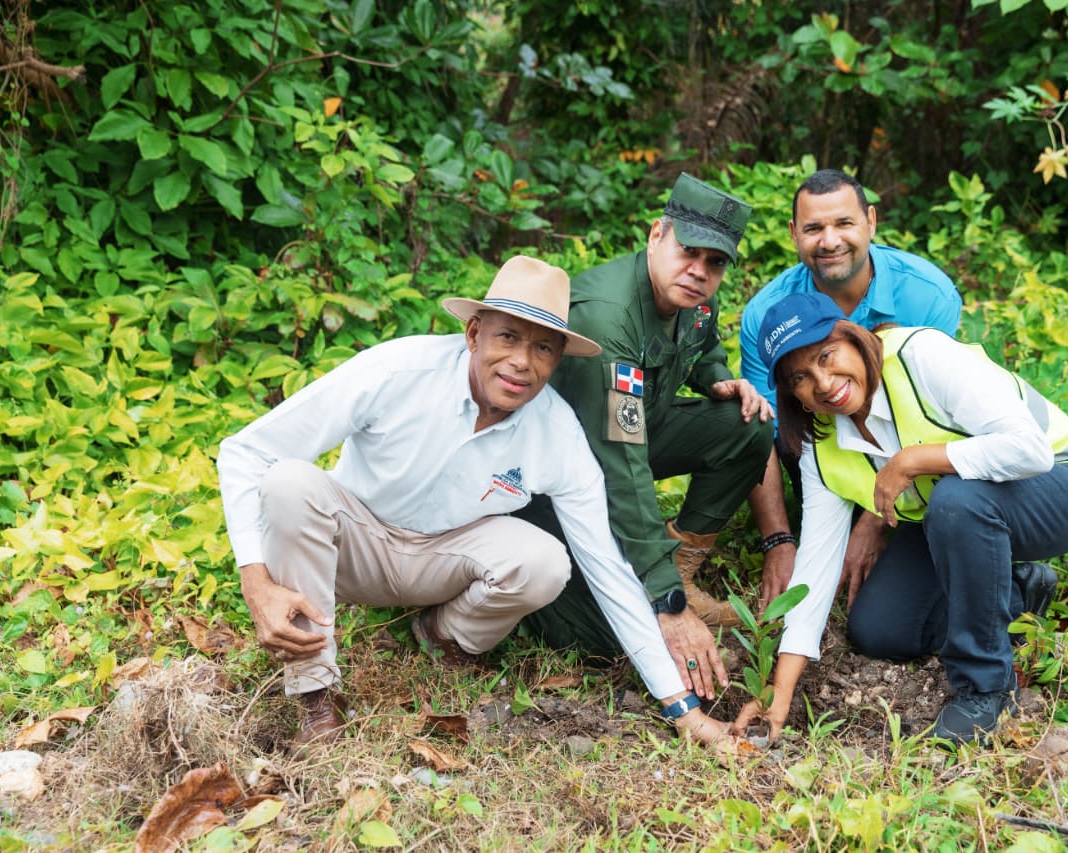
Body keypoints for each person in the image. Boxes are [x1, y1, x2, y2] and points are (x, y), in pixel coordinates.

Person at [217, 255, 738, 752]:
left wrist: (682, 709)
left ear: (557, 360)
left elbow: (606, 566)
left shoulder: (555, 431)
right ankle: (316, 699)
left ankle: (444, 635)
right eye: (507, 337)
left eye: (543, 348)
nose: (521, 363)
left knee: (546, 561)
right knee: (288, 483)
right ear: (473, 334)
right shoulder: (399, 371)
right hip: (354, 546)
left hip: (444, 560)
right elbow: (246, 451)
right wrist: (257, 581)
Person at [733, 292, 1068, 745]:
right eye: (801, 376)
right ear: (791, 392)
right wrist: (779, 691)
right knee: (881, 628)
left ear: (853, 339)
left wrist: (912, 460)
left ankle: (986, 688)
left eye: (826, 355)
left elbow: (1029, 451)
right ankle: (1019, 592)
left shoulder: (921, 356)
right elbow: (816, 570)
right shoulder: (821, 445)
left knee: (958, 501)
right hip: (957, 517)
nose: (824, 381)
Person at [517, 173, 773, 701]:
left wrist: (715, 378)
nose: (699, 271)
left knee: (748, 426)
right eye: (688, 251)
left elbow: (705, 346)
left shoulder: (694, 299)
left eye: (716, 262)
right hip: (545, 485)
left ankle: (678, 567)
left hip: (625, 436)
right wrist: (667, 605)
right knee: (610, 641)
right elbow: (621, 468)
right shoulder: (609, 321)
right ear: (657, 235)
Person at [738, 169, 962, 609]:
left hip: (913, 456)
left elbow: (940, 412)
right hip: (822, 454)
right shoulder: (767, 312)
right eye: (813, 228)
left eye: (844, 223)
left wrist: (873, 522)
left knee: (887, 603)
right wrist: (779, 541)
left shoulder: (927, 294)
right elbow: (761, 429)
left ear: (871, 222)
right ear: (793, 234)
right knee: (745, 411)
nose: (829, 240)